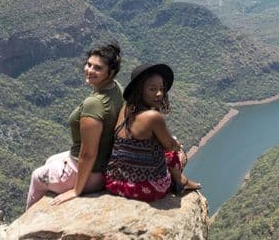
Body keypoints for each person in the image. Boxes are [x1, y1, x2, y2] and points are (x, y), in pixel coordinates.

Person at [26, 43, 125, 209]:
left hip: (89, 174)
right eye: (89, 64)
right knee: (51, 160)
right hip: (102, 164)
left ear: (111, 73)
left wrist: (76, 191)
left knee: (37, 176)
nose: (90, 70)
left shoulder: (94, 104)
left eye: (98, 68)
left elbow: (87, 154)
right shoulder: (116, 87)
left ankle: (24, 224)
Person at [104, 63, 201, 201]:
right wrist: (176, 145)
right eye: (152, 89)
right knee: (177, 154)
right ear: (140, 90)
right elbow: (170, 146)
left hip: (115, 182)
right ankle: (182, 182)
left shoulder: (126, 108)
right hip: (145, 189)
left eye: (162, 89)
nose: (159, 94)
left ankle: (182, 181)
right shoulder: (153, 117)